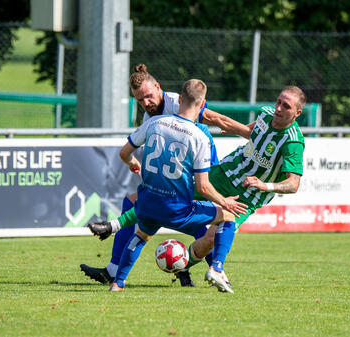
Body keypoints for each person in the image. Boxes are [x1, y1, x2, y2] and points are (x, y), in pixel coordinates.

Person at [89, 85, 306, 292]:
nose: (278, 108)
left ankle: (186, 267)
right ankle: (115, 268)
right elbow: (251, 133)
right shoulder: (265, 114)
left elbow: (293, 184)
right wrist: (228, 126)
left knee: (208, 238)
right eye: (278, 102)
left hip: (248, 195)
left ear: (298, 112)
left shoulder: (293, 142)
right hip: (222, 173)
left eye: (285, 106)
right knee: (137, 200)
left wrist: (264, 185)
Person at [80, 64, 250, 286]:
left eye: (149, 96)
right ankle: (187, 269)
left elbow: (216, 118)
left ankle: (203, 268)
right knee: (149, 206)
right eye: (140, 100)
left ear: (159, 88)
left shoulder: (176, 102)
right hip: (178, 173)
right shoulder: (149, 115)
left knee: (167, 211)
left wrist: (248, 133)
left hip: (200, 169)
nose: (146, 103)